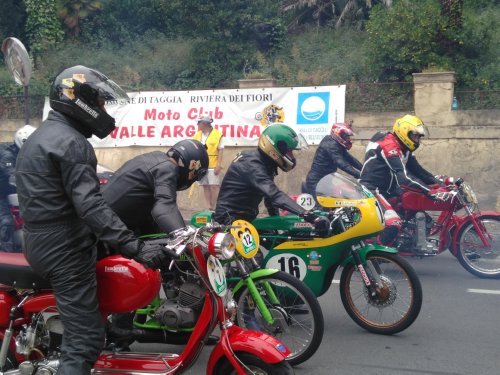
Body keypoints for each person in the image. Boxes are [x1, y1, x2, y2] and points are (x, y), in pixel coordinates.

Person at [15, 65, 169, 375]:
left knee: (90, 320)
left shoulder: (41, 137)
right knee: (85, 339)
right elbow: (90, 204)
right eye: (99, 102)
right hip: (64, 248)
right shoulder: (72, 143)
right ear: (77, 100)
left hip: (42, 241)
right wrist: (134, 247)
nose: (102, 109)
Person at [214, 123, 330, 231]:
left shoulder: (265, 163)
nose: (291, 156)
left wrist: (277, 223)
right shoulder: (252, 164)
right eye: (289, 152)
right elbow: (274, 195)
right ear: (275, 149)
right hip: (229, 220)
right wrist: (308, 215)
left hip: (245, 219)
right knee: (255, 254)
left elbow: (269, 198)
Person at [359, 114, 439, 250]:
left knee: (414, 209)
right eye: (415, 136)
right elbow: (404, 177)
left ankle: (405, 243)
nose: (417, 140)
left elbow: (418, 170)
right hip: (372, 189)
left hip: (389, 190)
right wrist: (429, 191)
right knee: (394, 222)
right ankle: (374, 253)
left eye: (419, 137)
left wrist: (439, 183)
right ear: (404, 133)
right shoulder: (389, 146)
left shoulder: (405, 149)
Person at [302, 122, 362, 199]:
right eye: (346, 136)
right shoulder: (330, 144)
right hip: (317, 182)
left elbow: (350, 159)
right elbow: (340, 162)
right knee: (323, 207)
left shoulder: (337, 144)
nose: (348, 139)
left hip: (325, 180)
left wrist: (364, 169)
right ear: (339, 134)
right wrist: (357, 174)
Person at [0, 124, 36, 252]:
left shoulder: (25, 154)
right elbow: (14, 176)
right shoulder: (7, 155)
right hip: (2, 194)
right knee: (6, 224)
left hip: (12, 194)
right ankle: (6, 258)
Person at [193, 115, 224, 210]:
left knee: (214, 186)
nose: (197, 124)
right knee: (205, 186)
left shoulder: (218, 134)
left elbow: (221, 150)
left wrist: (218, 165)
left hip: (213, 164)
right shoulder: (197, 135)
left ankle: (214, 207)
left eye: (199, 123)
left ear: (204, 123)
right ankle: (208, 207)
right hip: (200, 164)